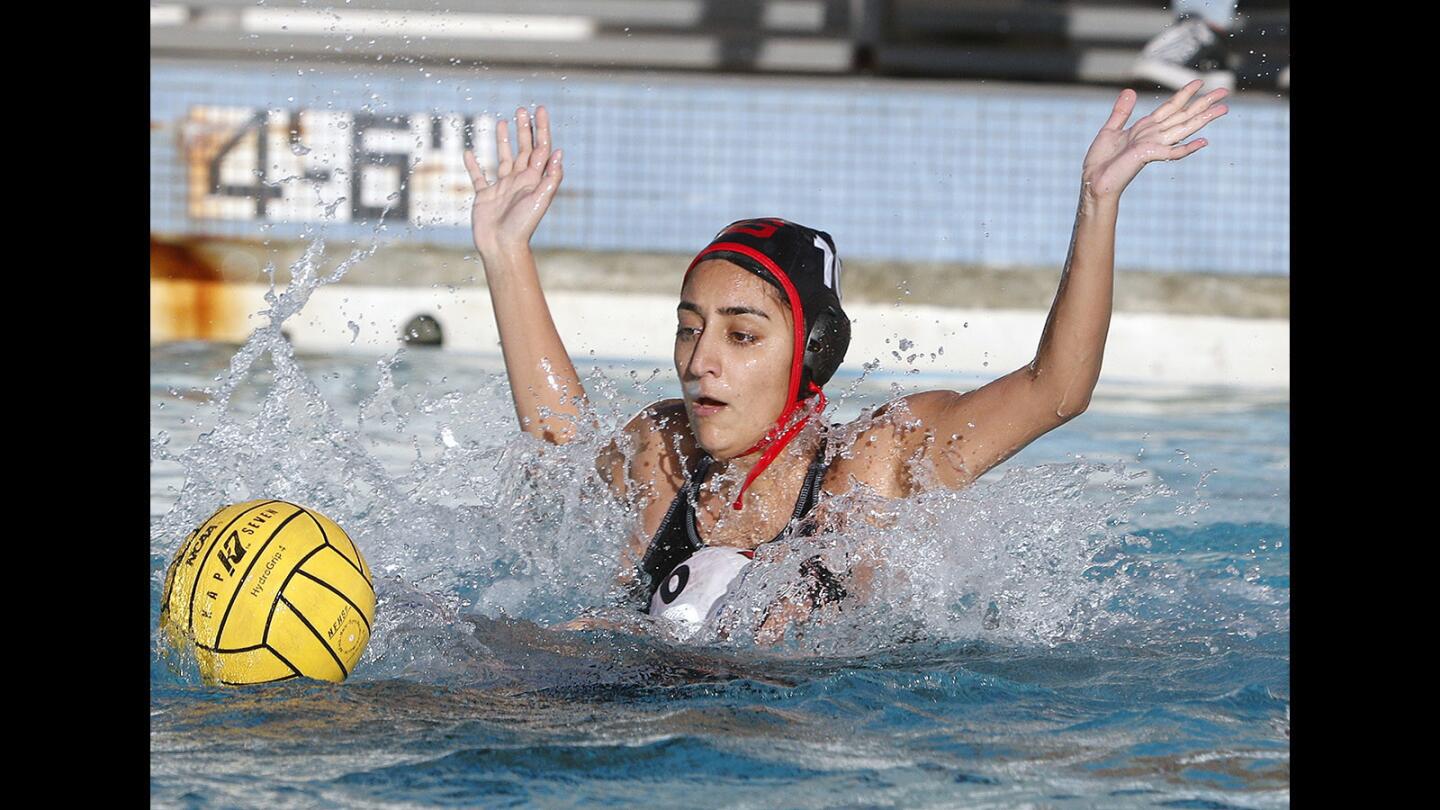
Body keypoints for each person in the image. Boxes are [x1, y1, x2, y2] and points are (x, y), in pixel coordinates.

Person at [460, 81, 1228, 640]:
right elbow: (561, 453)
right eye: (688, 329)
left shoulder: (871, 468)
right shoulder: (664, 454)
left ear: (813, 353)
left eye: (742, 334)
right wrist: (505, 252)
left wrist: (1099, 201)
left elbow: (1056, 391)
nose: (700, 362)